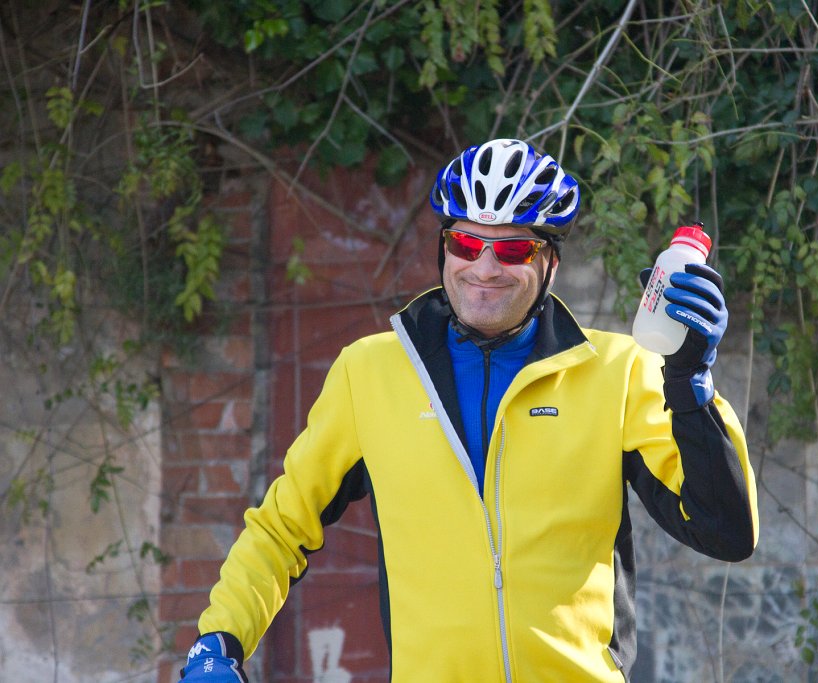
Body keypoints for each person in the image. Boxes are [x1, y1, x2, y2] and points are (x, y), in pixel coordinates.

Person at [179, 138, 759, 682]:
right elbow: (281, 528)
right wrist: (219, 640)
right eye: (465, 244)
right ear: (443, 248)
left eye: (513, 249)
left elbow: (726, 530)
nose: (484, 268)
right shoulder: (369, 373)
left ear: (550, 264)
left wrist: (689, 385)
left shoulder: (619, 371)